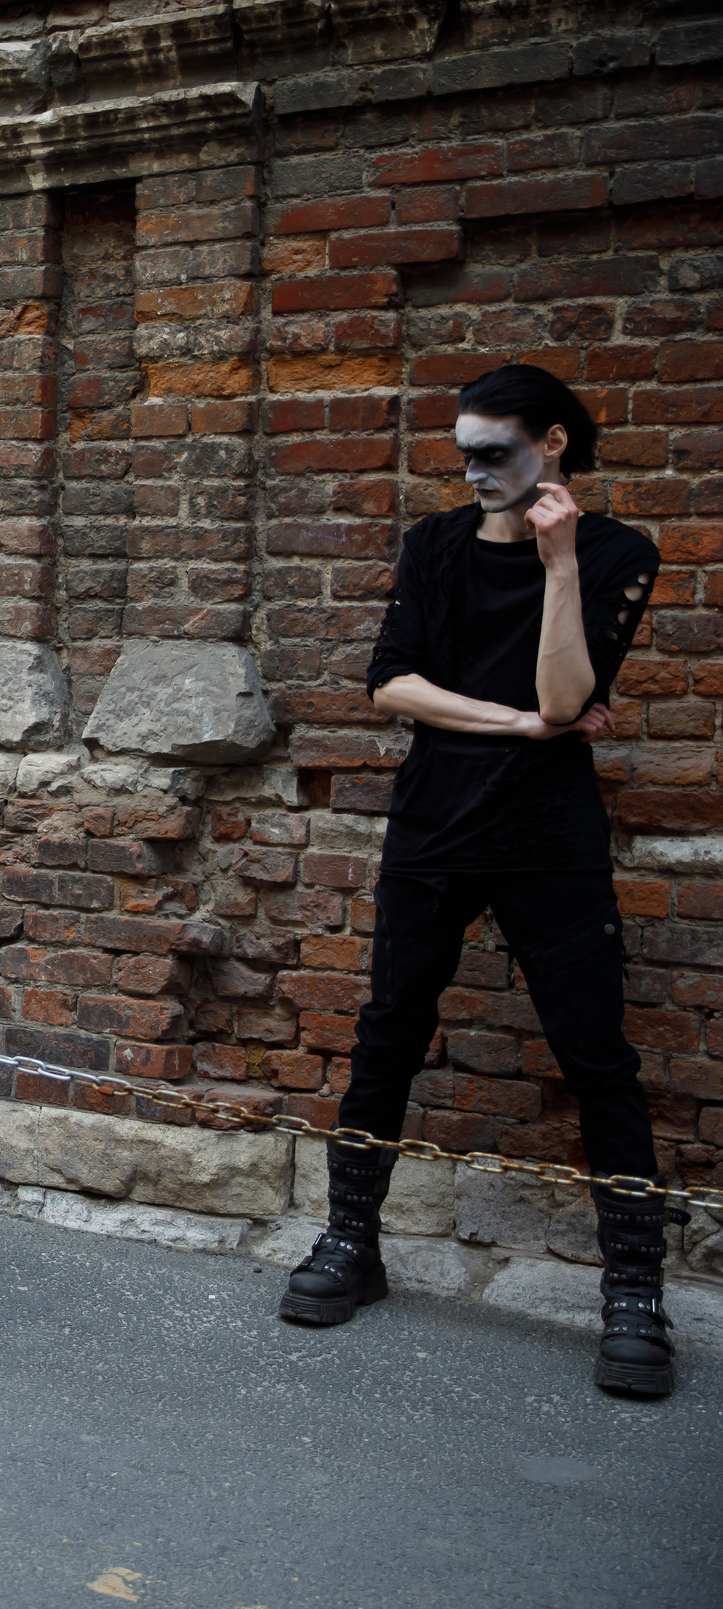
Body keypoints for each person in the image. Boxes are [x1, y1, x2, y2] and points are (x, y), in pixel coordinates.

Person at [284, 364, 679, 1397]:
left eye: (493, 453)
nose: (473, 473)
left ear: (551, 443)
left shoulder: (616, 554)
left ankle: (633, 1291)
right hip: (436, 818)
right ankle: (349, 1242)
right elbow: (392, 684)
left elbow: (568, 685)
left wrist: (555, 564)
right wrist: (517, 725)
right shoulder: (434, 546)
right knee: (389, 1028)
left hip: (548, 831)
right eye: (462, 453)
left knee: (595, 1052)